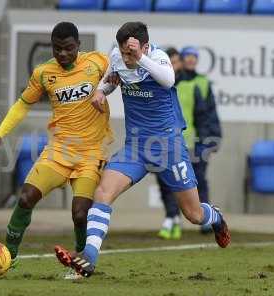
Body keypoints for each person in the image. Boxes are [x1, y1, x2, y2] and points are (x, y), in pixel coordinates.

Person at [55, 22, 230, 278]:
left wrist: (140, 58)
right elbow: (112, 79)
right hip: (136, 147)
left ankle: (214, 216)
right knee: (102, 192)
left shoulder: (158, 59)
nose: (126, 58)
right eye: (123, 52)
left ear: (145, 47)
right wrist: (101, 92)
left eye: (131, 52)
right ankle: (89, 258)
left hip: (169, 147)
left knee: (193, 214)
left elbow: (168, 80)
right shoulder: (118, 57)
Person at [0, 22, 112, 279]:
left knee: (79, 213)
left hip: (91, 153)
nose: (62, 54)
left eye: (68, 48)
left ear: (79, 46)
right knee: (26, 198)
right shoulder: (43, 72)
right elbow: (22, 105)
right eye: (57, 49)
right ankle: (10, 255)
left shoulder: (98, 62)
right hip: (59, 151)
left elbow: (123, 72)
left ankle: (80, 262)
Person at [157, 47, 209, 240]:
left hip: (190, 143)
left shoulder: (192, 84)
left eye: (176, 62)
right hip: (162, 143)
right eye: (170, 62)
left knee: (197, 182)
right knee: (167, 183)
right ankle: (172, 218)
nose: (174, 65)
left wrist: (208, 141)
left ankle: (204, 218)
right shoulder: (157, 83)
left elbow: (204, 115)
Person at [181, 46, 222, 234]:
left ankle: (205, 218)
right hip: (173, 141)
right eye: (187, 56)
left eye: (194, 57)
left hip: (197, 141)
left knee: (200, 179)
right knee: (177, 182)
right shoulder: (171, 81)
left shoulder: (203, 83)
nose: (191, 60)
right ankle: (172, 219)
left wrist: (213, 138)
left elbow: (210, 113)